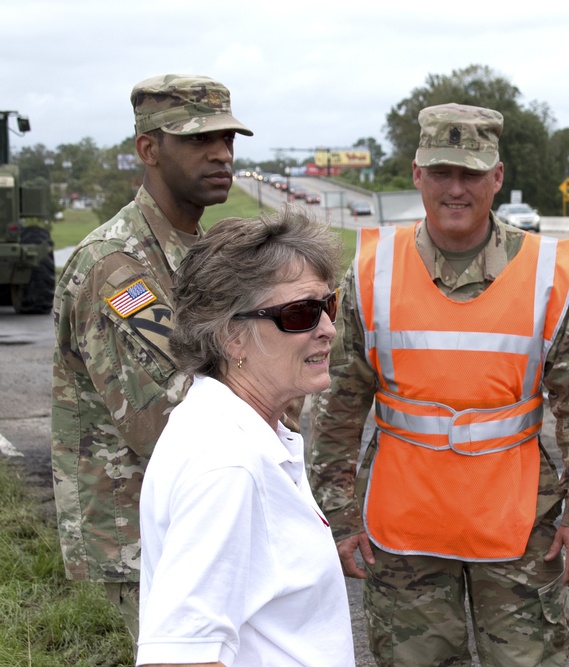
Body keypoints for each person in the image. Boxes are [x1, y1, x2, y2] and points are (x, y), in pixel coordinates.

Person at [308, 102, 569, 667]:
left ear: (496, 177)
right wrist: (340, 513)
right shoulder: (374, 271)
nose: (457, 188)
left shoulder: (546, 272)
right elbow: (335, 404)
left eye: (471, 173)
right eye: (442, 172)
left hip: (518, 527)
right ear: (417, 174)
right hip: (403, 533)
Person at [50, 73, 252, 645]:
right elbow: (173, 421)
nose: (221, 154)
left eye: (228, 140)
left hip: (197, 524)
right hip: (146, 544)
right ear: (148, 149)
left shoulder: (195, 249)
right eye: (197, 139)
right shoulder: (117, 266)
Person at [136, 210, 354, 666]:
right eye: (300, 314)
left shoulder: (245, 433)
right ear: (231, 337)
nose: (327, 330)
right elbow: (180, 657)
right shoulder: (227, 464)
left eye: (327, 305)